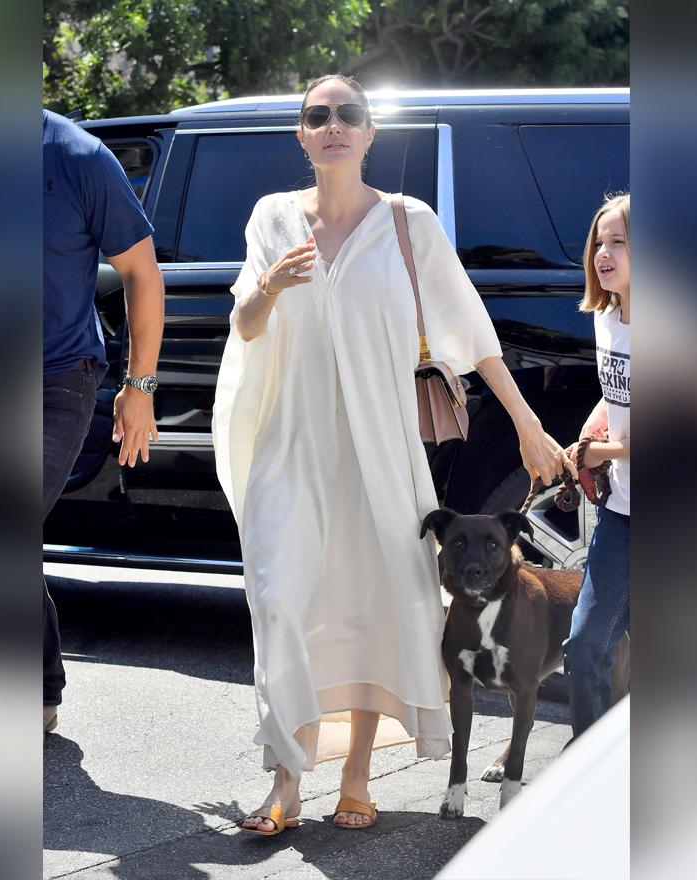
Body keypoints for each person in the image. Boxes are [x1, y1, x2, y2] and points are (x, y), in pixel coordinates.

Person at [212, 74, 564, 835]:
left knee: (375, 601)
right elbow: (242, 326)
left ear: (370, 134)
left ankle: (358, 777)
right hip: (290, 443)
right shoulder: (272, 219)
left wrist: (528, 423)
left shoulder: (408, 223)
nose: (333, 125)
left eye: (350, 114)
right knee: (277, 601)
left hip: (379, 445)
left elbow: (472, 335)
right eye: (317, 115)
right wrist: (268, 288)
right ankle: (284, 779)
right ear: (301, 136)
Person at [42, 109, 164, 733]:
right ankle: (40, 687)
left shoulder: (79, 158)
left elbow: (141, 273)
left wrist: (138, 386)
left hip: (57, 378)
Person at [561, 193, 632, 740]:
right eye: (598, 242)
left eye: (618, 242)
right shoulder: (608, 317)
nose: (602, 254)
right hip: (624, 514)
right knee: (585, 648)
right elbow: (616, 390)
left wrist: (592, 454)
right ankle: (587, 781)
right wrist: (591, 427)